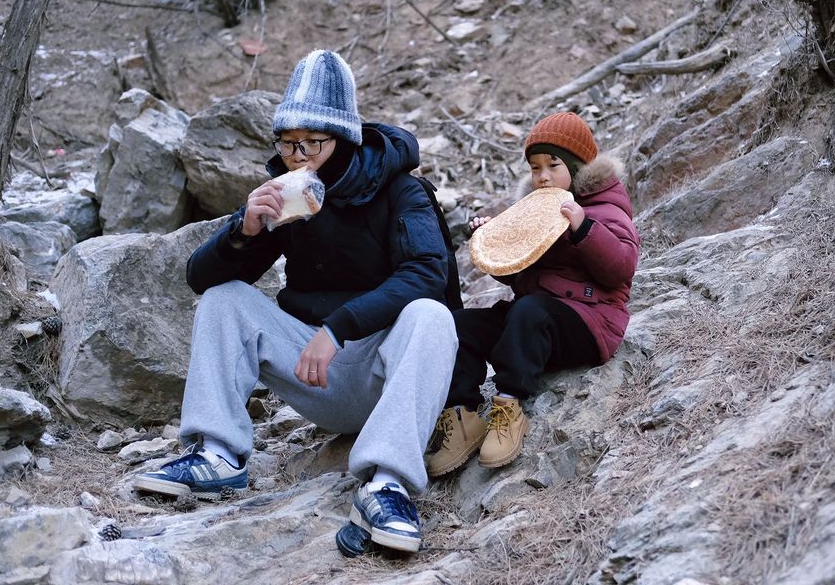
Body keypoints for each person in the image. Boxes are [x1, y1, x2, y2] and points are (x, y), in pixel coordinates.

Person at [134, 49, 458, 556]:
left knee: (430, 315)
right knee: (226, 298)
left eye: (311, 143)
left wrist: (338, 328)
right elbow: (200, 278)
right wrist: (243, 231)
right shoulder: (286, 195)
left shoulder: (401, 190)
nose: (298, 156)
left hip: (386, 376)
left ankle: (386, 486)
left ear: (344, 139)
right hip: (315, 375)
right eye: (287, 144)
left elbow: (428, 274)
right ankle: (218, 455)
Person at [426, 112, 640, 476]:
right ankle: (462, 415)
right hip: (537, 325)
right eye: (535, 167)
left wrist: (583, 227)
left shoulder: (604, 208)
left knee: (530, 311)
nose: (542, 176)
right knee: (458, 325)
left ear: (577, 167)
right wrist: (495, 242)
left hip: (591, 324)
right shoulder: (532, 211)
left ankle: (508, 407)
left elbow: (621, 267)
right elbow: (521, 278)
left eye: (553, 165)